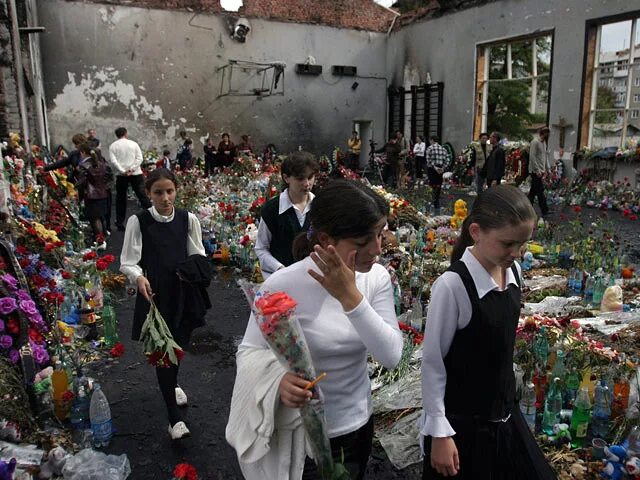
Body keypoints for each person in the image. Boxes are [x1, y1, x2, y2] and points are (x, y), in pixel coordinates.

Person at [227, 180, 404, 480]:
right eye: (363, 243)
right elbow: (248, 352)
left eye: (380, 233)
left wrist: (350, 296)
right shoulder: (281, 284)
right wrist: (277, 382)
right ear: (325, 239)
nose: (377, 249)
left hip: (355, 426)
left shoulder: (375, 279)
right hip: (300, 433)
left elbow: (391, 356)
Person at [420, 185, 556, 480]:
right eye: (507, 244)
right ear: (476, 232)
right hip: (463, 428)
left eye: (522, 244)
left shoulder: (513, 271)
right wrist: (440, 432)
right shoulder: (453, 286)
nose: (516, 253)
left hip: (505, 417)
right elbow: (432, 363)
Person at [120, 168, 209, 441]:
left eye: (169, 191)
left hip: (182, 293)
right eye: (158, 192)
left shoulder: (187, 219)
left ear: (176, 191)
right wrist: (138, 277)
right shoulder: (140, 221)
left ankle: (173, 385)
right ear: (148, 193)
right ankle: (173, 418)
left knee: (178, 345)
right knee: (163, 351)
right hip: (155, 295)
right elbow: (127, 261)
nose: (165, 197)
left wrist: (194, 271)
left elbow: (198, 253)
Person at [255, 151, 319, 278]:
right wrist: (280, 268)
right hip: (281, 281)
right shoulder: (272, 210)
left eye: (310, 177)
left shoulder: (319, 207)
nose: (307, 184)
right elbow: (261, 248)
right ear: (286, 178)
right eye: (300, 178)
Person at [108, 127, 151, 231]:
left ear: (116, 135)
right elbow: (139, 158)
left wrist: (123, 170)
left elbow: (113, 161)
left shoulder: (113, 146)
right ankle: (153, 215)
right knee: (142, 195)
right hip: (136, 173)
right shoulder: (133, 144)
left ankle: (120, 222)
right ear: (126, 133)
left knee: (121, 198)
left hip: (121, 175)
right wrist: (132, 169)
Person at [76, 142, 110, 249]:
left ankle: (100, 241)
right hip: (103, 192)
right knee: (101, 216)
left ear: (83, 153)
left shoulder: (84, 165)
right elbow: (108, 176)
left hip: (91, 195)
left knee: (94, 218)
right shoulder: (102, 163)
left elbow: (82, 182)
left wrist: (77, 191)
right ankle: (104, 236)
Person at [528, 126, 551, 216]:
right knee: (540, 191)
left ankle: (527, 208)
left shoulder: (544, 143)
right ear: (544, 133)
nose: (548, 135)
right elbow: (532, 157)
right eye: (547, 133)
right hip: (535, 171)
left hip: (541, 170)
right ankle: (545, 210)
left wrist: (548, 169)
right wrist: (537, 170)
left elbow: (545, 157)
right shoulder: (535, 142)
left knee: (533, 192)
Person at [425, 136, 450, 214]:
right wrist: (443, 168)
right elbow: (448, 160)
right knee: (438, 184)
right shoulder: (443, 149)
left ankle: (431, 200)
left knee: (432, 184)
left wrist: (435, 167)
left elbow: (428, 160)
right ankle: (436, 200)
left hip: (432, 169)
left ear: (432, 140)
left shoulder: (430, 148)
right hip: (441, 169)